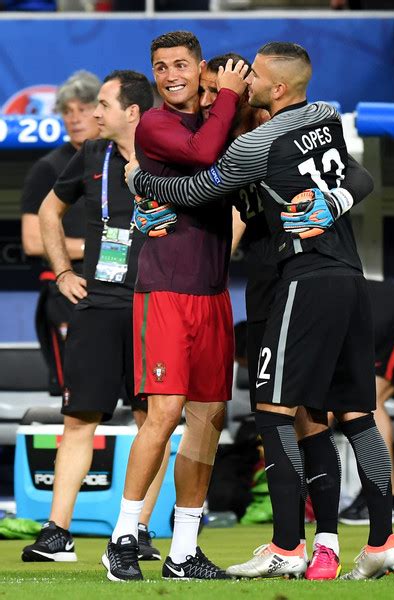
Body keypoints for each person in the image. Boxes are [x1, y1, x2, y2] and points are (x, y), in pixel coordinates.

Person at [127, 41, 394, 580]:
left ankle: (288, 545)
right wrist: (145, 215)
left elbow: (200, 183)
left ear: (264, 89)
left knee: (277, 411)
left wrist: (139, 179)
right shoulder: (314, 120)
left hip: (298, 281)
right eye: (212, 91)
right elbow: (354, 175)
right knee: (338, 414)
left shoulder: (253, 143)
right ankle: (371, 540)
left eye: (226, 87)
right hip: (332, 279)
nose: (218, 99)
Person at [181, 51, 378, 581]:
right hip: (268, 282)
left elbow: (357, 175)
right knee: (289, 413)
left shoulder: (274, 133)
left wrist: (331, 200)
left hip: (297, 273)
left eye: (213, 90)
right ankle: (297, 544)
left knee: (302, 413)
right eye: (204, 94)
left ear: (245, 87)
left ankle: (319, 543)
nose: (207, 102)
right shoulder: (224, 142)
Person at [102, 31, 249, 583]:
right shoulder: (156, 125)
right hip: (163, 291)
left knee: (208, 419)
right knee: (162, 415)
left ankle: (184, 549)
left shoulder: (219, 121)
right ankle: (123, 537)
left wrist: (228, 95)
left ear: (200, 68)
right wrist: (229, 94)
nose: (171, 75)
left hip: (213, 294)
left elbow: (227, 153)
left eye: (181, 64)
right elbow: (204, 156)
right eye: (161, 67)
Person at [21, 70, 168, 564]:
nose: (93, 114)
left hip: (156, 306)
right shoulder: (90, 156)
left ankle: (137, 531)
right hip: (99, 305)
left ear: (133, 112)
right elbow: (47, 213)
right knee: (79, 418)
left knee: (155, 420)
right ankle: (56, 532)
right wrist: (63, 271)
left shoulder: (169, 156)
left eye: (103, 105)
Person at [21, 70, 100, 396]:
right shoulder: (49, 168)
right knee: (78, 395)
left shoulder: (121, 160)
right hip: (68, 291)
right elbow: (33, 241)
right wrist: (98, 247)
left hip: (120, 291)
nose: (75, 118)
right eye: (67, 111)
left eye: (83, 108)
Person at [340, 279, 394, 525]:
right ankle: (379, 492)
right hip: (385, 327)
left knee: (370, 403)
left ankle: (387, 498)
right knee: (360, 403)